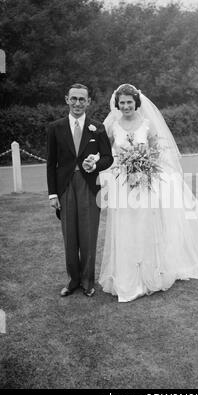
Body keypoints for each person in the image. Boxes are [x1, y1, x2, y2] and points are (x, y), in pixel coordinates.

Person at [98, 84, 198, 302]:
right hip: (121, 186)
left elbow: (157, 153)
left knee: (145, 227)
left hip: (144, 185)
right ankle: (126, 279)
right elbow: (106, 153)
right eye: (122, 102)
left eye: (129, 102)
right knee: (125, 228)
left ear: (136, 103)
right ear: (117, 104)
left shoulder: (146, 125)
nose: (126, 106)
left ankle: (149, 277)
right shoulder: (112, 126)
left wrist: (143, 167)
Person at [47, 83, 113, 297]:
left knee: (88, 235)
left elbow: (108, 158)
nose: (77, 103)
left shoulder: (97, 127)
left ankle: (87, 281)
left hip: (89, 186)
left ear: (88, 102)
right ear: (67, 99)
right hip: (65, 186)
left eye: (82, 99)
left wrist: (95, 165)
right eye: (73, 98)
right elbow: (51, 163)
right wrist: (53, 193)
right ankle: (73, 279)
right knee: (70, 236)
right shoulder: (56, 127)